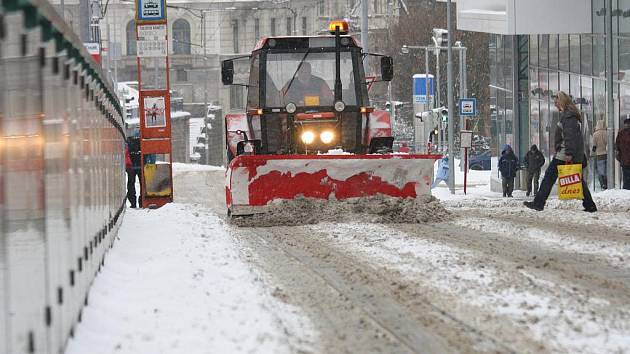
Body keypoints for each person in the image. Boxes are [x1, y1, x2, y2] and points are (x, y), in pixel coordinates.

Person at [524, 91, 597, 212]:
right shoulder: (568, 115)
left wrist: (568, 153)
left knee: (549, 177)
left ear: (562, 101)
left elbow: (570, 136)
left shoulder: (568, 117)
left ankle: (539, 203)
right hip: (566, 153)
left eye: (556, 102)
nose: (555, 104)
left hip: (564, 155)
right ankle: (590, 205)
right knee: (576, 179)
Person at [126, 134, 142, 208]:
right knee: (143, 185)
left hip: (131, 167)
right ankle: (142, 202)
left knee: (131, 184)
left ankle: (133, 203)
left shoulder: (128, 141)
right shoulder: (142, 141)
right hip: (141, 166)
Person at [592, 119, 608, 189]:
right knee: (607, 169)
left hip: (599, 155)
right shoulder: (607, 133)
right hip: (607, 154)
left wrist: (593, 152)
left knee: (601, 170)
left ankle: (603, 184)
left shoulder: (595, 134)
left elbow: (594, 146)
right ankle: (607, 183)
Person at [615, 117, 630, 189]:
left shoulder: (621, 133)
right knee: (626, 176)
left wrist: (619, 156)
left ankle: (626, 190)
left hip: (624, 160)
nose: (627, 125)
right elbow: (617, 145)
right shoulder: (621, 133)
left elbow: (617, 145)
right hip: (624, 160)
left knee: (626, 177)